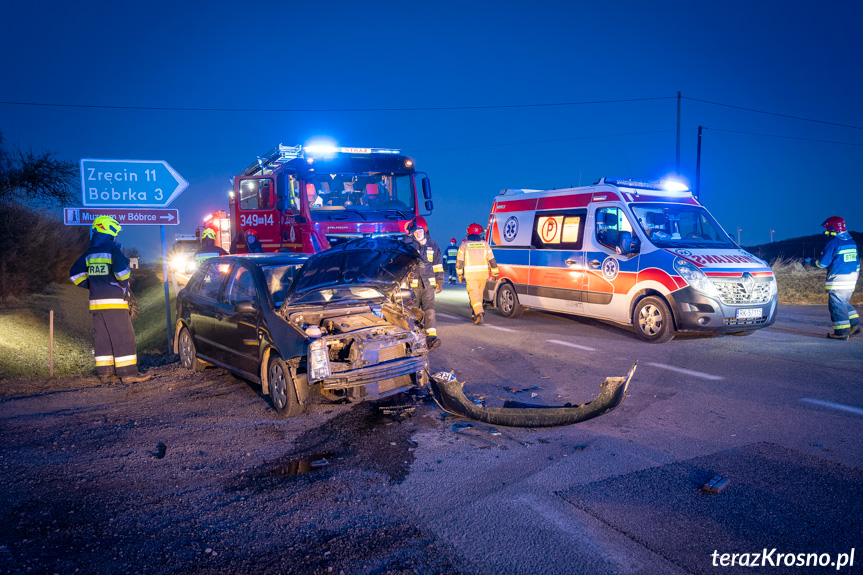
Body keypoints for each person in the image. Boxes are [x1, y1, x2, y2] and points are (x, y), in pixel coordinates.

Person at [69, 216, 151, 384]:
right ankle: (128, 374)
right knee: (124, 337)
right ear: (109, 230)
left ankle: (106, 375)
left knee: (103, 338)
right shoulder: (113, 250)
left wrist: (92, 285)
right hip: (115, 302)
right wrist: (124, 279)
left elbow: (74, 275)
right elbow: (122, 274)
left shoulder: (89, 253)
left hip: (97, 304)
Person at [814, 216, 859, 340]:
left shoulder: (833, 242)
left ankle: (841, 333)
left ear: (832, 228)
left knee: (836, 307)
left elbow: (823, 263)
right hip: (851, 279)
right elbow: (856, 263)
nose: (826, 231)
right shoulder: (851, 242)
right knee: (844, 303)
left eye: (827, 228)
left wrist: (813, 262)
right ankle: (855, 325)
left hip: (838, 281)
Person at [406, 216, 444, 350]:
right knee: (412, 313)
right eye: (415, 231)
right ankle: (413, 339)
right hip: (413, 286)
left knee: (430, 311)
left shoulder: (433, 245)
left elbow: (438, 265)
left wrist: (439, 282)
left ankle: (431, 338)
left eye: (420, 231)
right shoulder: (408, 245)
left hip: (428, 285)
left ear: (425, 230)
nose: (418, 233)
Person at [456, 223, 499, 325]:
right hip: (483, 275)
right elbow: (492, 260)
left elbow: (459, 262)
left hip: (471, 275)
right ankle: (475, 314)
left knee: (474, 295)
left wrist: (459, 274)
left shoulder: (464, 246)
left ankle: (479, 314)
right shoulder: (485, 245)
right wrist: (495, 273)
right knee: (479, 295)